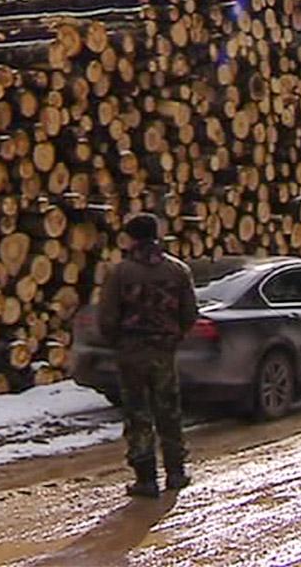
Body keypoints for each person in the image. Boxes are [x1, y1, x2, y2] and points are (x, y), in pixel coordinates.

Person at [97, 213, 198, 498]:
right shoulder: (178, 270)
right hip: (164, 351)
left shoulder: (120, 273)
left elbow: (107, 317)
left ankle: (146, 477)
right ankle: (176, 472)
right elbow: (189, 313)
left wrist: (117, 342)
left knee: (138, 414)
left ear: (131, 238)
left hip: (131, 351)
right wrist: (174, 336)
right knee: (169, 411)